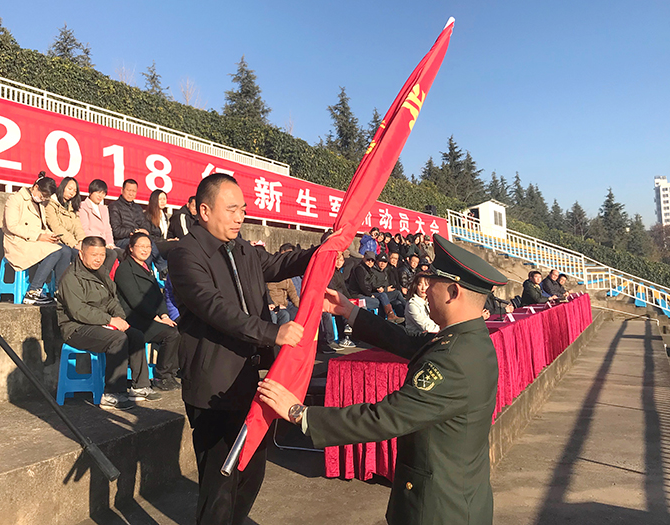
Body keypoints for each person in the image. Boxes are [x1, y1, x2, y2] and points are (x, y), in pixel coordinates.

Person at [257, 234, 508, 525]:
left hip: (438, 509)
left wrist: (300, 414)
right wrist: (349, 311)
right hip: (458, 498)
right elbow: (406, 341)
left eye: (432, 283)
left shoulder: (454, 359)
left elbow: (384, 418)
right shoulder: (468, 339)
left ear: (453, 292)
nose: (425, 290)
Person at [167, 173, 316, 525]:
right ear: (204, 211)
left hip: (250, 379)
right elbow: (215, 308)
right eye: (231, 209)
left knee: (251, 472)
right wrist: (272, 333)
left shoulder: (242, 248)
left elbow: (279, 264)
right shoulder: (186, 254)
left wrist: (322, 253)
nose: (240, 217)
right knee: (220, 483)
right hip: (214, 385)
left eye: (243, 209)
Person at [57, 236, 162, 409]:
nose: (98, 259)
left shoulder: (102, 273)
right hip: (76, 328)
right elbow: (78, 311)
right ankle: (113, 393)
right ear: (81, 254)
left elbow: (113, 301)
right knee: (118, 339)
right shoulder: (71, 277)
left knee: (135, 334)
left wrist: (119, 319)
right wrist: (109, 320)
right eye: (94, 255)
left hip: (102, 324)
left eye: (102, 255)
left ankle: (140, 386)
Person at [114, 233, 181, 391]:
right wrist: (156, 317)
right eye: (141, 246)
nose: (145, 250)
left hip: (150, 316)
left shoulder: (146, 268)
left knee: (179, 329)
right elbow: (135, 300)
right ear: (131, 248)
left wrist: (164, 315)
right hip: (134, 318)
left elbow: (158, 296)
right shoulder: (125, 269)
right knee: (171, 334)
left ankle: (171, 373)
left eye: (148, 247)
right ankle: (161, 375)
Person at [2, 173, 72, 305]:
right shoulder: (15, 199)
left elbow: (41, 227)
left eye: (46, 197)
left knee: (66, 250)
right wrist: (39, 236)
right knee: (55, 251)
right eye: (42, 195)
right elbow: (12, 226)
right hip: (18, 242)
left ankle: (59, 291)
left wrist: (50, 236)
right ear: (35, 187)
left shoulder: (40, 204)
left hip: (34, 241)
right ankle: (33, 291)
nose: (43, 198)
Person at [108, 179, 167, 272]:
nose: (131, 194)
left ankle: (155, 271)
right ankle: (158, 269)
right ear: (122, 190)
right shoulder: (114, 206)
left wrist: (142, 231)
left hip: (138, 237)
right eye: (129, 190)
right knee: (142, 246)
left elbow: (145, 226)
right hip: (122, 240)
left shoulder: (138, 208)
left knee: (146, 244)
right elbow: (116, 230)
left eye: (134, 191)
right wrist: (133, 231)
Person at [347, 251, 403, 323]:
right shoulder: (359, 269)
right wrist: (370, 295)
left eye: (372, 260)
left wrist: (379, 289)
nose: (370, 262)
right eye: (368, 260)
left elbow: (371, 285)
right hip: (358, 295)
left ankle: (391, 315)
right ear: (363, 258)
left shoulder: (370, 270)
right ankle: (382, 322)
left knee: (384, 295)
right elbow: (362, 286)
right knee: (379, 301)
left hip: (368, 293)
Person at [78, 179, 120, 272]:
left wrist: (110, 243)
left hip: (105, 244)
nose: (100, 196)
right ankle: (101, 277)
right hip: (93, 243)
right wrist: (101, 243)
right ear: (91, 192)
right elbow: (85, 229)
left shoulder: (104, 208)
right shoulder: (83, 206)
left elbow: (108, 228)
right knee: (112, 254)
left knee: (123, 253)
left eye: (103, 193)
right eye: (98, 192)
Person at [44, 176, 85, 255]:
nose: (72, 193)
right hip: (58, 241)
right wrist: (74, 244)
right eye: (69, 189)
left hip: (73, 242)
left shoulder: (72, 206)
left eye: (75, 191)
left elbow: (78, 227)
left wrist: (81, 241)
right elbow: (56, 227)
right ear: (63, 187)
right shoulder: (50, 204)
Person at [145, 189, 178, 259]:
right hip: (154, 244)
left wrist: (171, 239)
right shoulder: (147, 216)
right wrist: (166, 241)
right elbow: (148, 236)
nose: (163, 201)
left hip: (163, 243)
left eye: (164, 199)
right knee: (175, 246)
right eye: (160, 199)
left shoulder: (164, 216)